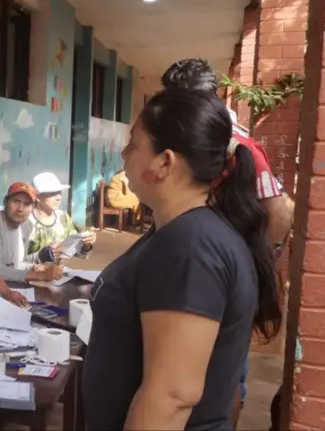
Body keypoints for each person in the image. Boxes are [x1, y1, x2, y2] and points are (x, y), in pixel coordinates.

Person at [83, 89, 282, 430]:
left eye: (134, 143)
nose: (123, 153)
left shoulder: (191, 247)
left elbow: (172, 396)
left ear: (165, 162)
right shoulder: (183, 233)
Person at [162, 58, 295, 426]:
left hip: (221, 273)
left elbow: (280, 211)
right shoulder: (187, 137)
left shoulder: (237, 144)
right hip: (192, 267)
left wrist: (250, 262)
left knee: (223, 374)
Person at [0, 182, 63, 288]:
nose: (20, 209)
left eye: (27, 204)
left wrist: (38, 263)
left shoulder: (26, 225)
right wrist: (39, 275)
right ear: (5, 202)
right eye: (16, 201)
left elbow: (16, 264)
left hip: (5, 287)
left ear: (33, 208)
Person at [27, 172, 97, 262]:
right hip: (30, 270)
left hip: (58, 270)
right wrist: (42, 256)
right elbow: (15, 262)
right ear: (37, 197)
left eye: (59, 192)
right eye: (52, 193)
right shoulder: (26, 222)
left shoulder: (63, 217)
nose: (58, 197)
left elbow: (76, 252)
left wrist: (87, 244)